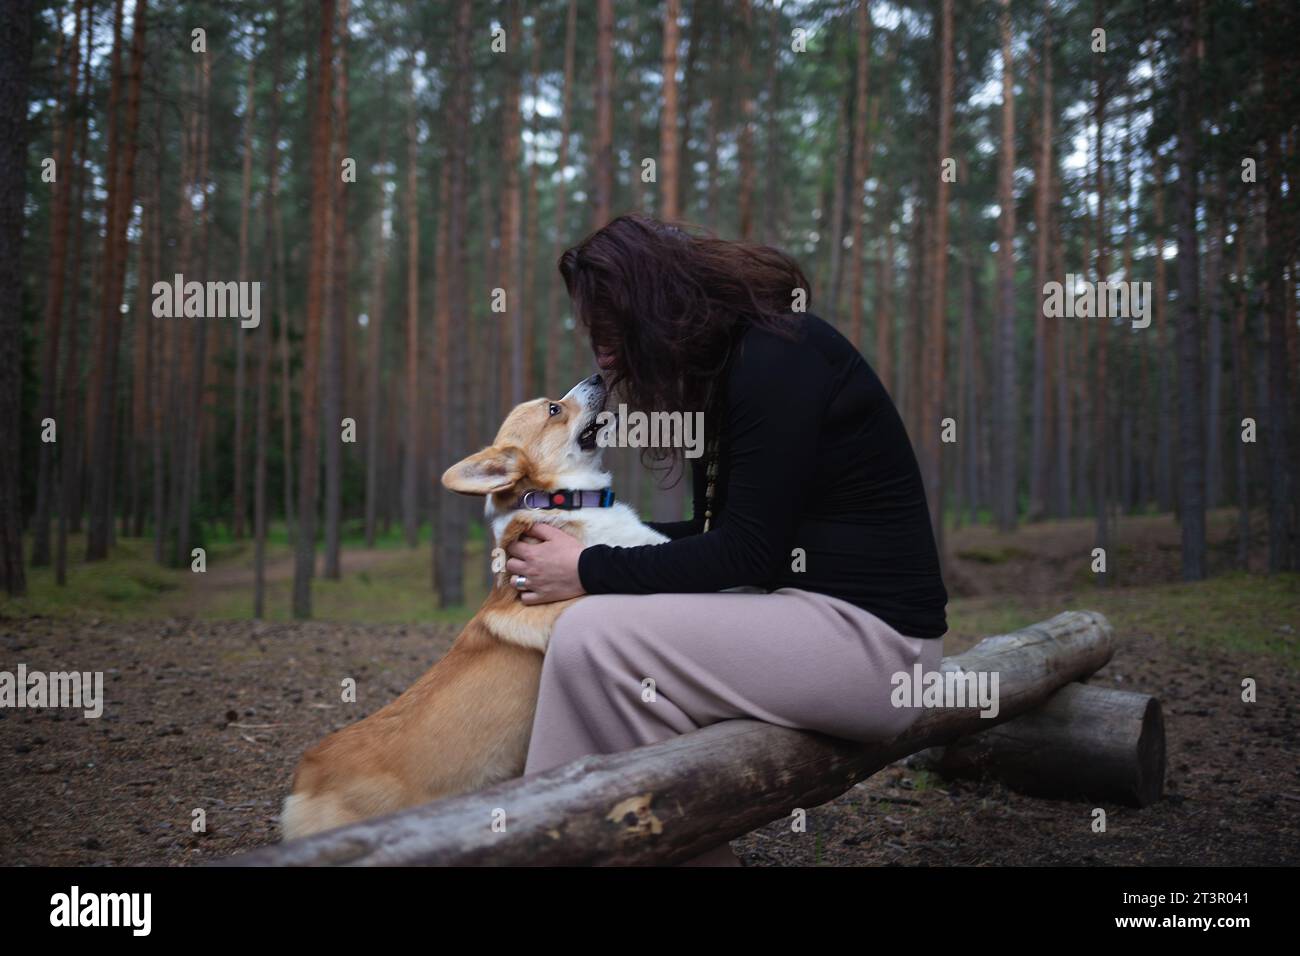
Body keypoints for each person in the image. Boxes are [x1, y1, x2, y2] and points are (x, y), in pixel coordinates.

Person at [504, 214, 948, 866]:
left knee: (594, 633)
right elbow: (721, 536)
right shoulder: (722, 369)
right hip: (807, 617)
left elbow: (746, 553)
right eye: (591, 329)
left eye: (610, 327)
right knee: (601, 650)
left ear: (657, 303)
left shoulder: (777, 356)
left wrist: (589, 567)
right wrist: (580, 544)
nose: (600, 351)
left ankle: (552, 847)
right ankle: (567, 843)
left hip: (880, 648)